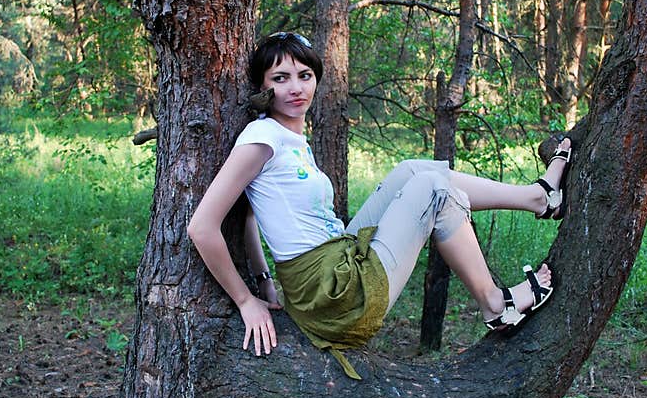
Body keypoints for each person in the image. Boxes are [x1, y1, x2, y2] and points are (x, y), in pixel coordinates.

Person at [187, 32, 573, 379]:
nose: (295, 88)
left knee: (412, 170)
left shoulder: (289, 139)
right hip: (332, 297)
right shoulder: (261, 136)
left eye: (304, 75)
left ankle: (538, 197)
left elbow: (250, 214)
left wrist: (265, 281)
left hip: (333, 266)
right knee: (433, 189)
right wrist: (245, 301)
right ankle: (496, 304)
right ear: (262, 86)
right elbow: (202, 227)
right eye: (280, 78)